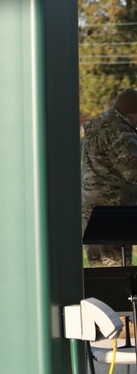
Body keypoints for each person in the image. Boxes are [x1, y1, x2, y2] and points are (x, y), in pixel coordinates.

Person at [82, 88, 137, 266]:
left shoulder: (97, 126)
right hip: (114, 214)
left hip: (91, 213)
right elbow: (133, 170)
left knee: (99, 276)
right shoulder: (121, 131)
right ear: (133, 113)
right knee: (118, 274)